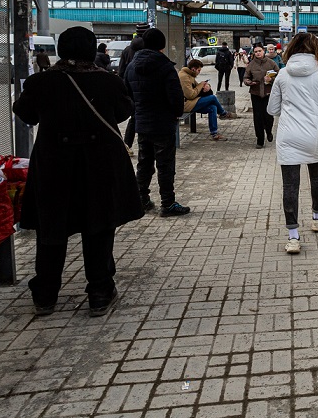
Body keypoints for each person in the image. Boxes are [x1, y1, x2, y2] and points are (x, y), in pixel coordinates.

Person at [12, 26, 142, 317]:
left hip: (54, 168)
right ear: (90, 49)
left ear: (61, 49)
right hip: (99, 167)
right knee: (98, 226)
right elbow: (123, 113)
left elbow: (25, 113)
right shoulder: (108, 82)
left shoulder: (40, 83)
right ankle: (99, 292)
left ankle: (45, 294)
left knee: (51, 229)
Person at [267, 33, 318, 254]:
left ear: (291, 48)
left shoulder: (282, 74)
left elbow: (272, 109)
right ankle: (317, 218)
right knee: (316, 177)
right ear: (315, 49)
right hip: (314, 136)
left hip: (288, 136)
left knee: (290, 186)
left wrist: (290, 110)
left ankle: (293, 237)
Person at [125, 28, 191, 216]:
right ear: (162, 45)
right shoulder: (165, 66)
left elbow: (127, 92)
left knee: (144, 163)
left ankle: (141, 199)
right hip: (163, 123)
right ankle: (168, 203)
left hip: (142, 122)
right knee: (165, 165)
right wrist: (176, 113)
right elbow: (175, 96)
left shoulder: (132, 66)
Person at [180, 58, 229, 140]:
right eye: (199, 70)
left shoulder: (190, 75)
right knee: (213, 98)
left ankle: (214, 133)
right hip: (186, 105)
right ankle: (223, 113)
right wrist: (201, 85)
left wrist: (206, 86)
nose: (199, 72)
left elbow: (196, 88)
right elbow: (190, 95)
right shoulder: (184, 77)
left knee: (213, 108)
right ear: (193, 69)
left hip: (191, 102)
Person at [117, 24, 148, 149]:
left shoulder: (127, 50)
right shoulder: (148, 49)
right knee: (143, 116)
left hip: (131, 87)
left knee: (134, 116)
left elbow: (121, 71)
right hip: (145, 88)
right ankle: (144, 144)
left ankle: (127, 144)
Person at [244, 44, 277, 148]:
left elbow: (280, 77)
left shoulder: (271, 63)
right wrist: (248, 82)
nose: (258, 53)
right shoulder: (251, 64)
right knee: (257, 117)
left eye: (259, 51)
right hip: (256, 93)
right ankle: (260, 140)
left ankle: (269, 131)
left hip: (268, 93)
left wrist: (271, 80)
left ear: (263, 51)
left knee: (268, 116)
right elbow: (245, 77)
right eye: (256, 51)